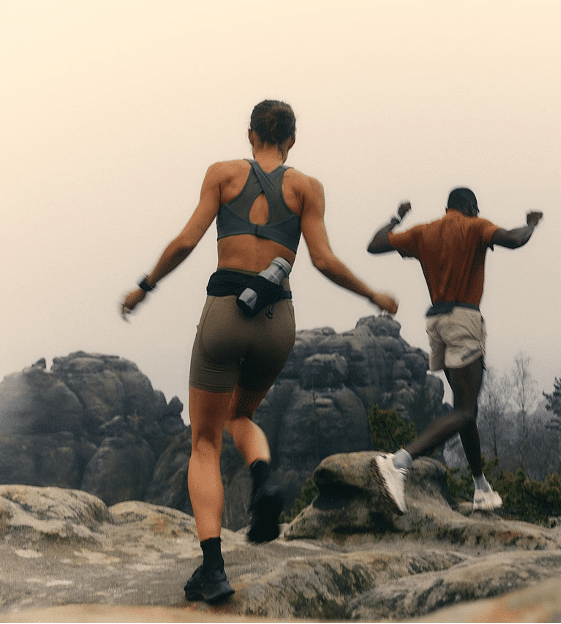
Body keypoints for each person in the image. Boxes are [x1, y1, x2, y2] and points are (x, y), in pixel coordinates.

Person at [120, 100, 398, 603]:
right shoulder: (306, 188)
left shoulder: (223, 174)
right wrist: (372, 294)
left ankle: (212, 568)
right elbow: (324, 260)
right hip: (277, 320)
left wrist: (146, 285)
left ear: (250, 135)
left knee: (205, 441)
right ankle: (264, 478)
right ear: (291, 140)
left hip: (225, 310)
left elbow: (186, 240)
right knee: (241, 414)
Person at [365, 188, 542, 515]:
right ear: (471, 207)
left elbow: (375, 245)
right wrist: (530, 224)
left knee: (466, 408)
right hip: (463, 320)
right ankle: (398, 462)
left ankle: (480, 487)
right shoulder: (475, 226)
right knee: (464, 411)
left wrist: (397, 217)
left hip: (437, 323)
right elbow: (515, 239)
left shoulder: (423, 232)